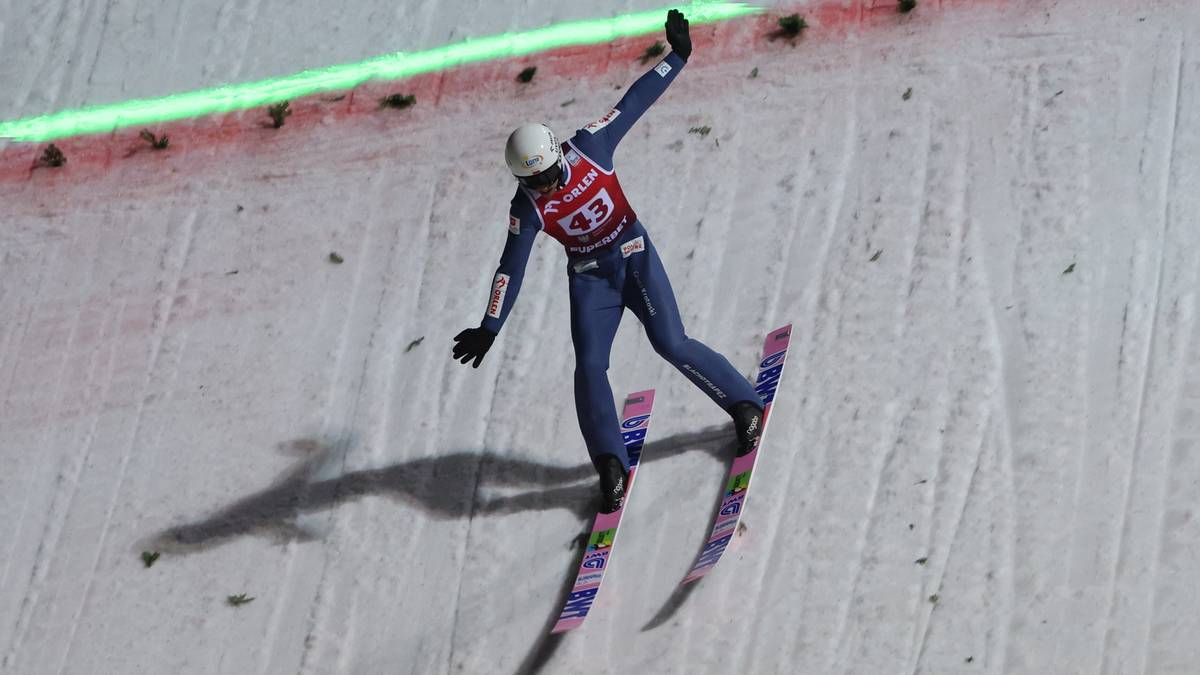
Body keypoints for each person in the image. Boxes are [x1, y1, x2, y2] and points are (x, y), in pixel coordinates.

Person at [452, 10, 764, 513]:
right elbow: (511, 266)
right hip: (591, 280)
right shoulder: (526, 207)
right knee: (590, 368)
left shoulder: (590, 147)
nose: (547, 187)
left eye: (550, 175)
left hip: (633, 258)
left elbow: (633, 102)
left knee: (670, 341)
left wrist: (678, 57)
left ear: (558, 154)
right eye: (534, 182)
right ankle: (610, 464)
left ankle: (743, 403)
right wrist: (490, 326)